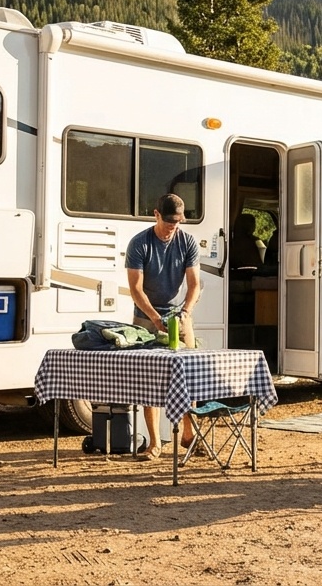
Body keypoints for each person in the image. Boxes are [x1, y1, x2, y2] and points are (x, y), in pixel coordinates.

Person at [125, 193, 202, 460]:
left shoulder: (187, 241)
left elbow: (194, 285)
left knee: (190, 375)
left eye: (178, 221)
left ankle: (189, 434)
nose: (173, 226)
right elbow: (135, 289)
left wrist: (186, 312)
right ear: (156, 215)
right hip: (146, 316)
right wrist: (155, 318)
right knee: (150, 380)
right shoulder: (140, 243)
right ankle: (155, 443)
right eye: (169, 221)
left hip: (180, 315)